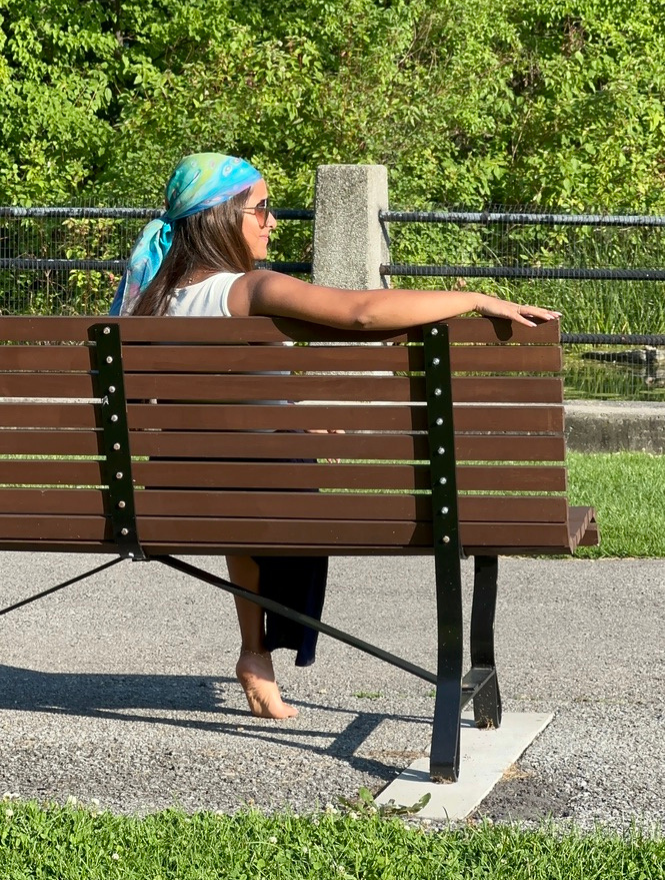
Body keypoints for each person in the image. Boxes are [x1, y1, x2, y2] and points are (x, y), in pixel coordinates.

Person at [110, 152, 561, 721]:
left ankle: (255, 652)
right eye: (262, 209)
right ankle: (266, 648)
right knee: (271, 481)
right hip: (259, 497)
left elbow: (211, 412)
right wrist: (475, 299)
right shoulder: (250, 290)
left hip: (177, 498)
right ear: (222, 218)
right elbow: (363, 314)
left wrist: (289, 417)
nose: (272, 222)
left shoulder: (151, 303)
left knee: (239, 477)